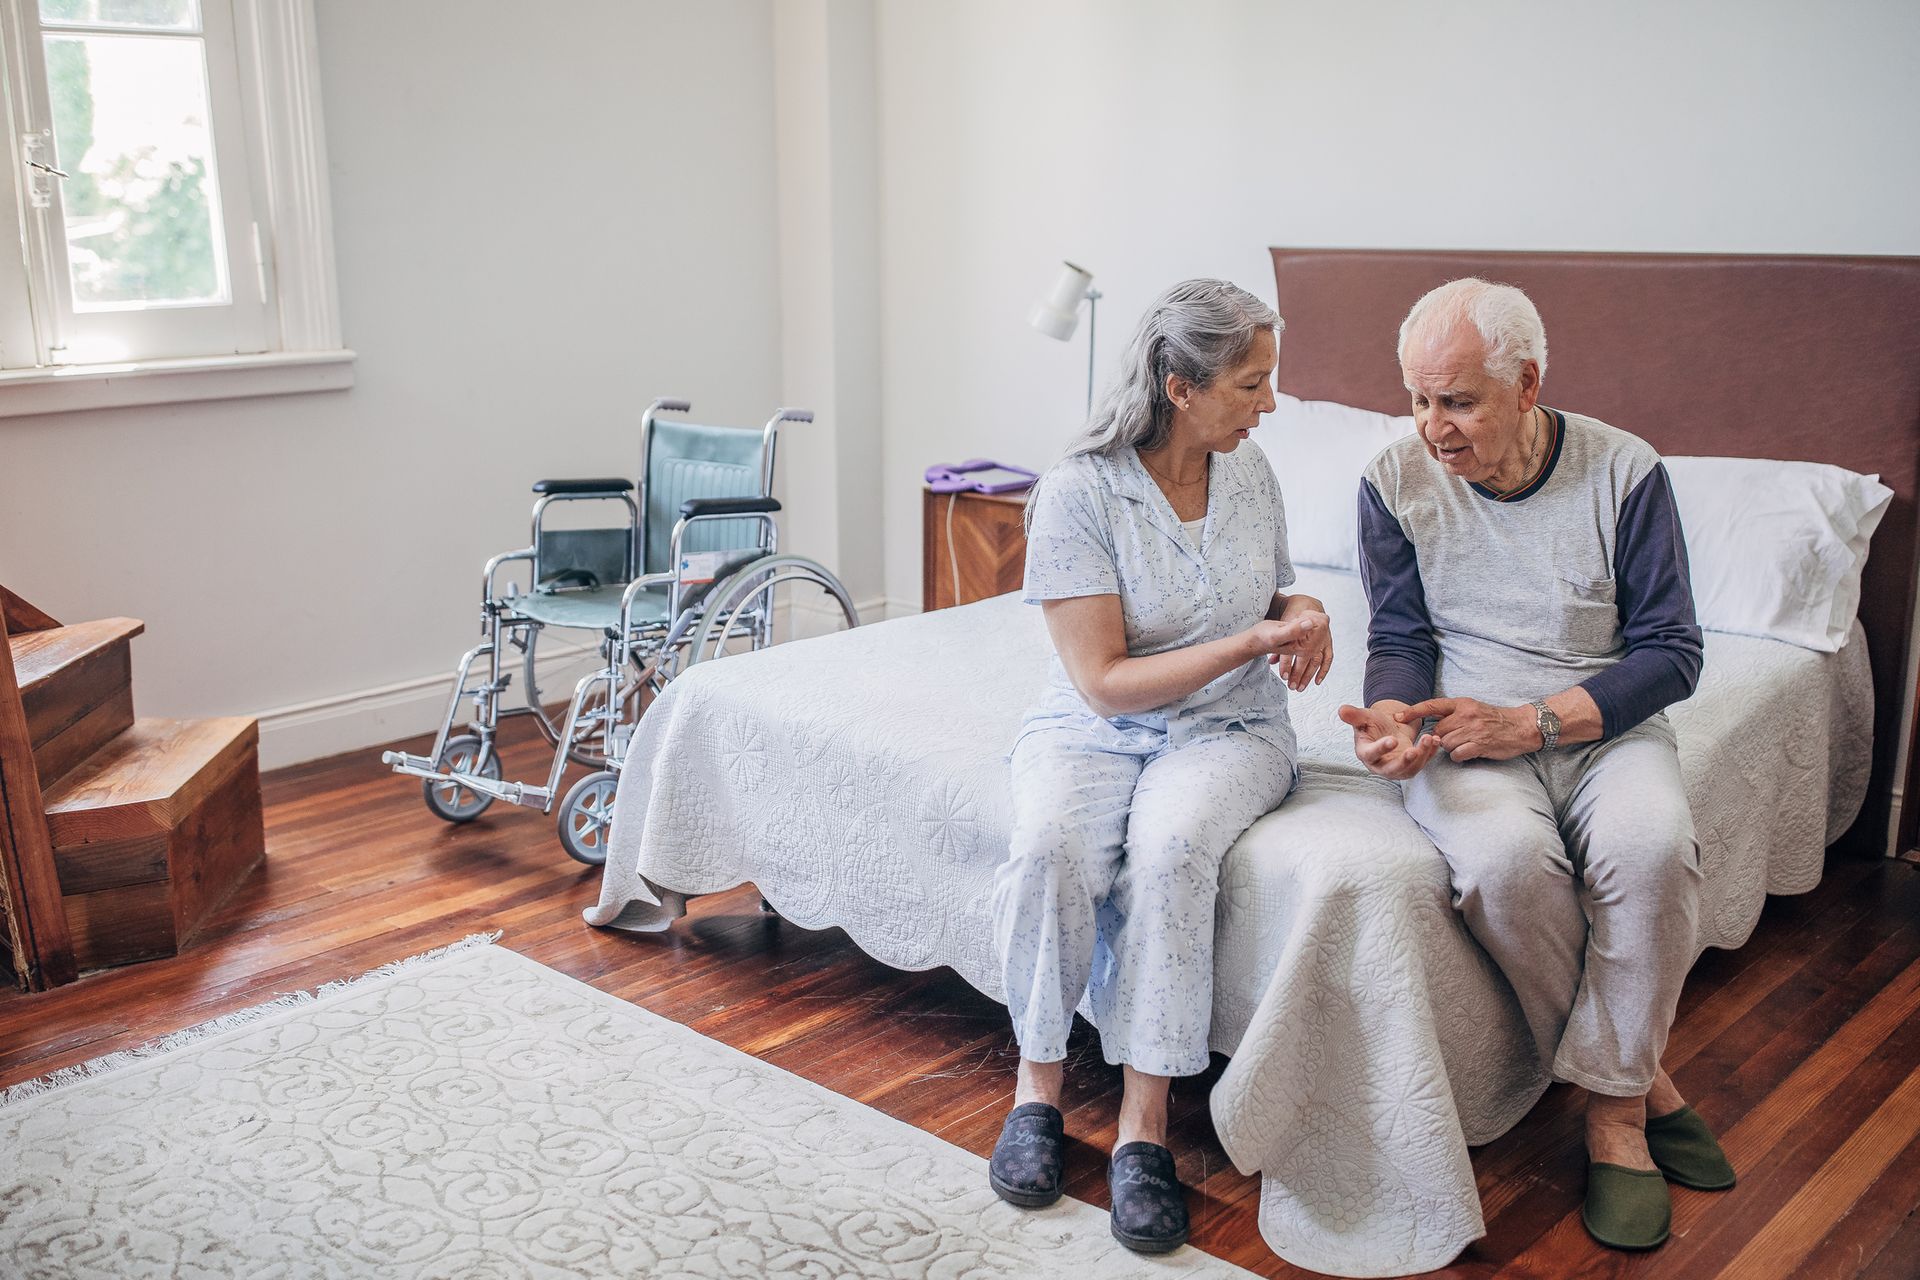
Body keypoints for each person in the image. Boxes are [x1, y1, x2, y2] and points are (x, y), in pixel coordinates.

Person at [1339, 277, 1731, 1251]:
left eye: (1460, 400)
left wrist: (1532, 722)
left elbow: (1673, 651)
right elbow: (1398, 635)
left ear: (1528, 383)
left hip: (1598, 723)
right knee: (1506, 866)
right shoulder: (1392, 481)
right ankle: (1639, 1083)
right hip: (1459, 726)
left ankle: (1612, 1112)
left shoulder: (1624, 471)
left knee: (1651, 847)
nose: (1435, 427)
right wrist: (1392, 715)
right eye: (1420, 398)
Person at [988, 279, 1331, 1254]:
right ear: (1180, 386)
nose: (1269, 402)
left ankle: (1145, 1126)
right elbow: (1101, 680)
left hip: (1229, 728)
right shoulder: (1079, 490)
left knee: (1174, 846)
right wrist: (1251, 636)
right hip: (1100, 724)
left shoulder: (1249, 470)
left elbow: (1274, 593)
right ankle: (1037, 1092)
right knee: (1050, 841)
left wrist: (1305, 616)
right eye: (1252, 382)